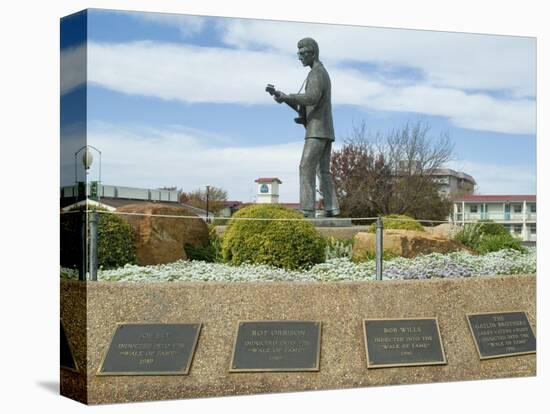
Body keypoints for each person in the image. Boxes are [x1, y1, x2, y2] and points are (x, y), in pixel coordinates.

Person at [272, 37, 340, 218]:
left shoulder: (317, 73)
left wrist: (289, 96)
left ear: (313, 53)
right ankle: (332, 208)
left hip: (317, 130)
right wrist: (285, 98)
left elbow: (311, 98)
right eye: (298, 53)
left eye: (303, 53)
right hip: (325, 130)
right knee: (322, 170)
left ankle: (307, 210)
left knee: (306, 167)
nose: (300, 57)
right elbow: (305, 107)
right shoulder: (318, 73)